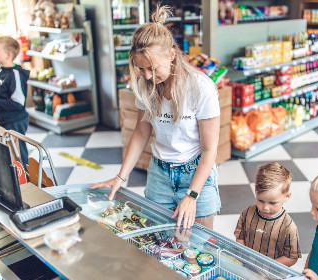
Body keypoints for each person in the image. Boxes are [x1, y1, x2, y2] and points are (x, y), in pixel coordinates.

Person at [91, 5, 221, 230]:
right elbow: (141, 133)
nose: (147, 76)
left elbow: (210, 150)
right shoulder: (144, 84)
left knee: (200, 249)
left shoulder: (200, 87)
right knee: (160, 244)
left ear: (171, 54)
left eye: (152, 68)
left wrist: (192, 196)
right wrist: (120, 177)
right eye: (141, 69)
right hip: (159, 173)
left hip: (196, 173)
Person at [234, 162, 301, 267]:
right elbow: (240, 237)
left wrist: (267, 266)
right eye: (261, 200)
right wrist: (244, 256)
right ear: (256, 190)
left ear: (287, 196)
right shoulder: (247, 213)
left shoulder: (288, 226)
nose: (265, 207)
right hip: (246, 267)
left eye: (272, 203)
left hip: (271, 275)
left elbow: (292, 257)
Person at [0, 36, 29, 167]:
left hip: (15, 120)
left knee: (19, 153)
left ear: (8, 55)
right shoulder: (1, 71)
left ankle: (26, 179)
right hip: (3, 119)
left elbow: (18, 103)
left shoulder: (14, 74)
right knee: (7, 153)